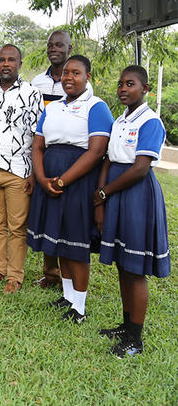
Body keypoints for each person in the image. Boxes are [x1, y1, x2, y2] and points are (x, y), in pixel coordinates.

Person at [27, 55, 113, 324]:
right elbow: (38, 146)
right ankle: (66, 296)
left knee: (76, 244)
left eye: (76, 73)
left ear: (88, 77)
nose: (68, 77)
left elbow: (97, 151)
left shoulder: (97, 107)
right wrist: (42, 179)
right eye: (65, 73)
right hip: (49, 179)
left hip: (77, 182)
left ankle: (80, 307)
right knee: (60, 240)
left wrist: (62, 181)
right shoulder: (52, 107)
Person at [94, 65, 170, 357]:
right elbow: (108, 160)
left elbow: (140, 168)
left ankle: (135, 340)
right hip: (114, 194)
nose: (123, 89)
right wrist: (100, 199)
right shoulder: (119, 121)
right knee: (123, 264)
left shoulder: (151, 121)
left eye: (131, 84)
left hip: (136, 196)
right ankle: (126, 326)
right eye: (120, 84)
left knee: (135, 268)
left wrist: (105, 192)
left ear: (145, 89)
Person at [0, 44, 44, 293]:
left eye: (11, 60)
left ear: (19, 62)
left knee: (17, 227)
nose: (6, 64)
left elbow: (39, 134)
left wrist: (34, 172)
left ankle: (14, 276)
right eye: (1, 60)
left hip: (19, 170)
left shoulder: (32, 93)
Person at [30, 29, 75, 289]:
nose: (53, 49)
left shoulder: (80, 83)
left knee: (66, 215)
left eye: (59, 45)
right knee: (47, 213)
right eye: (50, 45)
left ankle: (68, 275)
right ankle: (50, 273)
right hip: (42, 154)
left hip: (69, 157)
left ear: (70, 48)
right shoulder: (37, 83)